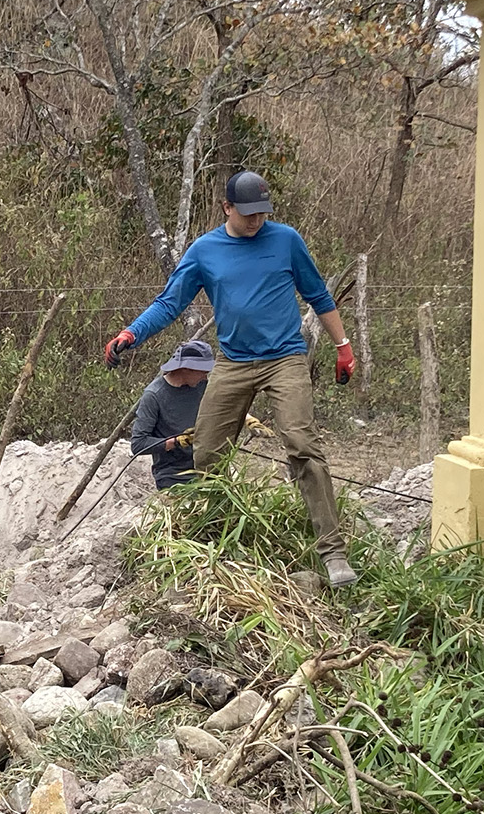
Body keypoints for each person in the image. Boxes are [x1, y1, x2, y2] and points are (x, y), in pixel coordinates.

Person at [103, 170, 360, 587]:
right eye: (247, 214)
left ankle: (333, 553)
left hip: (285, 359)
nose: (256, 221)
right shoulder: (206, 250)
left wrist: (343, 346)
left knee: (302, 443)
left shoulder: (286, 240)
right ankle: (211, 542)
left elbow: (318, 295)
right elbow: (170, 302)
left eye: (262, 213)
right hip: (235, 361)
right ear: (227, 208)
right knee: (206, 449)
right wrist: (131, 333)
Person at [130, 338, 214, 490]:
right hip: (173, 476)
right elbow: (138, 444)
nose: (205, 376)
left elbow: (223, 403)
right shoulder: (154, 395)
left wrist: (247, 418)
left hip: (207, 470)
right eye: (202, 372)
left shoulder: (202, 385)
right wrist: (176, 442)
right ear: (186, 369)